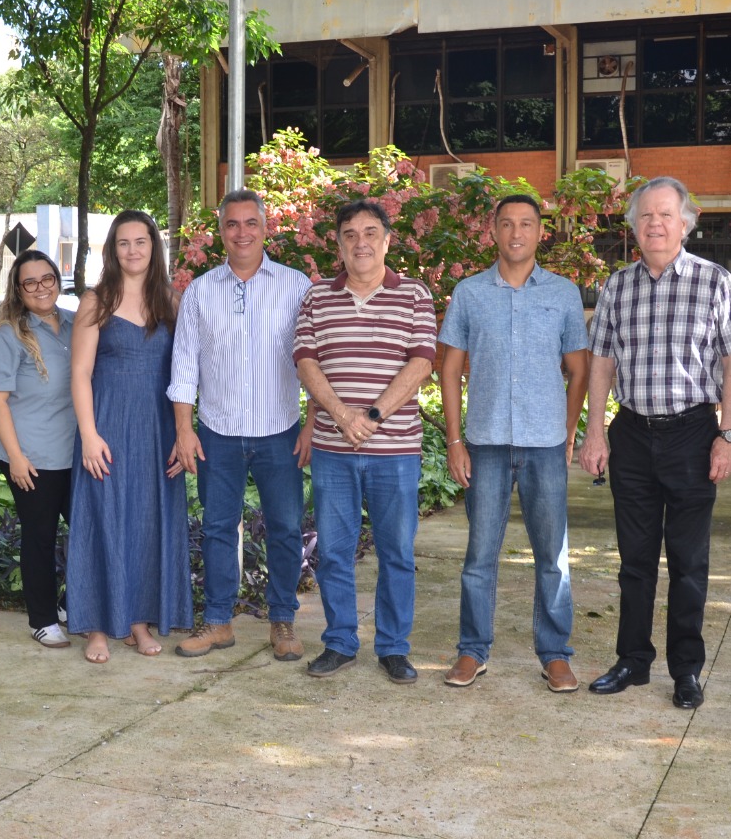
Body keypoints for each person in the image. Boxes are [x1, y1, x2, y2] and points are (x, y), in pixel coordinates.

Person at [577, 176, 731, 709]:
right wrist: (594, 430)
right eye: (645, 216)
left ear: (685, 223)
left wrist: (727, 434)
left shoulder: (714, 281)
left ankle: (687, 669)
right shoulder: (617, 285)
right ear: (633, 226)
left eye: (665, 215)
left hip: (693, 433)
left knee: (688, 561)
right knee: (634, 561)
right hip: (631, 432)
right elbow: (601, 361)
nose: (655, 224)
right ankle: (632, 660)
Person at [440, 194, 590, 690]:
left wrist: (568, 432)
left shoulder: (563, 293)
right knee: (479, 555)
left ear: (540, 232)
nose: (516, 233)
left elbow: (578, 368)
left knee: (553, 556)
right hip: (484, 443)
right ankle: (471, 650)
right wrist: (455, 439)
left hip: (544, 444)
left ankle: (555, 653)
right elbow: (451, 367)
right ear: (494, 232)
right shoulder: (469, 293)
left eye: (526, 224)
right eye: (507, 224)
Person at [294, 199, 437, 684]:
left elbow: (420, 362)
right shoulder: (317, 298)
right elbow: (306, 361)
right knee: (334, 550)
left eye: (371, 232)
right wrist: (340, 416)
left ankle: (394, 648)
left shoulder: (414, 295)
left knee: (396, 551)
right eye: (350, 234)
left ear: (387, 240)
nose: (361, 242)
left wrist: (371, 416)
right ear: (337, 243)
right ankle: (340, 642)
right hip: (335, 451)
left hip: (395, 449)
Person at [169, 189, 315, 662]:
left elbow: (315, 360)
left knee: (286, 528)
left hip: (280, 430)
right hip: (217, 432)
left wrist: (312, 423)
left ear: (266, 228)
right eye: (232, 224)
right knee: (216, 528)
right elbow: (185, 365)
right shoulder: (201, 291)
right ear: (221, 231)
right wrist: (184, 429)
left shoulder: (296, 287)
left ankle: (283, 620)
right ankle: (218, 623)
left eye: (251, 223)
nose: (242, 232)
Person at [67, 211, 193, 663]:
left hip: (158, 431)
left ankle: (138, 621)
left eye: (141, 242)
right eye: (124, 243)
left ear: (153, 248)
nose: (133, 250)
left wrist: (184, 434)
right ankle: (97, 626)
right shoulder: (95, 301)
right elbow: (80, 373)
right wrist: (88, 435)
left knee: (147, 522)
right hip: (107, 428)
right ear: (112, 250)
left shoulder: (172, 303)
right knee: (102, 520)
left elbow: (187, 373)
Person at [0, 249, 77, 649]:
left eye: (47, 278)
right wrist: (16, 458)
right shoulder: (6, 336)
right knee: (40, 536)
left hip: (77, 451)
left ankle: (73, 603)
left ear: (58, 278)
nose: (41, 288)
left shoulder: (74, 324)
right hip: (31, 455)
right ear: (18, 290)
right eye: (30, 282)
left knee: (91, 530)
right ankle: (43, 618)